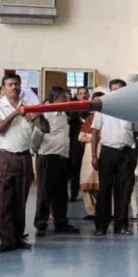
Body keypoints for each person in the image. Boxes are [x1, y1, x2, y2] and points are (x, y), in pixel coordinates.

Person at [0, 74, 49, 252]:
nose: (14, 87)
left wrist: (39, 115)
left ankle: (18, 238)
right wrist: (15, 113)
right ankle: (6, 240)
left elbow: (46, 129)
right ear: (4, 87)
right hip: (4, 156)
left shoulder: (29, 106)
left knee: (20, 200)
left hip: (24, 157)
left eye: (16, 84)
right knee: (3, 200)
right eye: (10, 84)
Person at [91, 79, 137, 235]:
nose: (117, 91)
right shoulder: (102, 107)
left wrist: (130, 147)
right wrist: (93, 156)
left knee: (124, 190)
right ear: (110, 90)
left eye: (120, 89)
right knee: (104, 189)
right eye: (114, 89)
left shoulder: (132, 108)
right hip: (108, 151)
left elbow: (135, 131)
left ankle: (121, 225)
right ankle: (101, 226)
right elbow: (95, 132)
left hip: (126, 152)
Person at [34, 86, 80, 236]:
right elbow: (36, 136)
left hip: (62, 157)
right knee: (45, 192)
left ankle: (61, 222)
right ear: (55, 99)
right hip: (48, 157)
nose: (67, 101)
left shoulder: (63, 114)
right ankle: (41, 224)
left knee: (61, 193)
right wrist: (36, 152)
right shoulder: (45, 113)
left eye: (67, 98)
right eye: (63, 98)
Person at [78, 92, 103, 219]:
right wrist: (94, 137)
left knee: (103, 184)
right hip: (89, 154)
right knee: (87, 183)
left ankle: (104, 211)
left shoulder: (109, 117)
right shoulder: (90, 118)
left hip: (104, 152)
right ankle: (91, 211)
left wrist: (95, 137)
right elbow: (81, 137)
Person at [67, 86, 89, 202]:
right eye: (80, 93)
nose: (83, 95)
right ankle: (74, 193)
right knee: (75, 167)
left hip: (90, 141)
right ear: (77, 95)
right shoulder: (72, 110)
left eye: (85, 93)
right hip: (76, 141)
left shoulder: (92, 108)